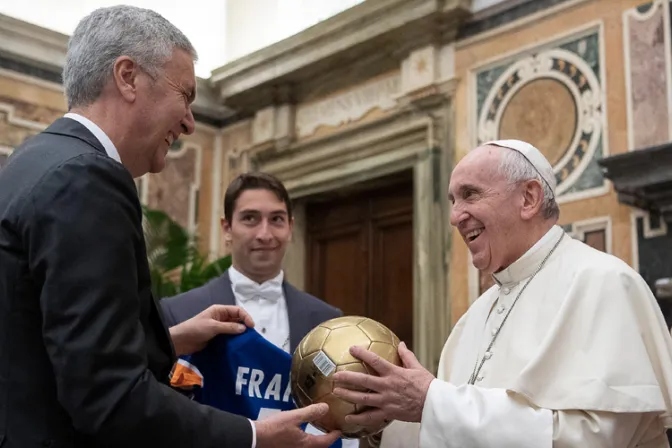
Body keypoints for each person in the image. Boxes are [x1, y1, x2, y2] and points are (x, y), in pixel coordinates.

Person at [0, 6, 339, 448]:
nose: (190, 122)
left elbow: (50, 345)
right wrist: (255, 436)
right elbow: (109, 398)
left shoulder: (31, 161)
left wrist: (171, 339)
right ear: (127, 77)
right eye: (185, 95)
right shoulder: (86, 178)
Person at [330, 139, 672, 447]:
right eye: (452, 200)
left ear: (528, 198)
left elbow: (598, 439)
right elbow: (447, 431)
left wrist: (432, 402)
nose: (454, 216)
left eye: (470, 194)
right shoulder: (477, 314)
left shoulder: (604, 283)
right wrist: (384, 422)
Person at [161, 172, 359, 447]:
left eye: (276, 219)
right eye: (250, 219)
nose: (264, 234)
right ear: (227, 228)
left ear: (290, 227)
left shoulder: (328, 320)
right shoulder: (178, 313)